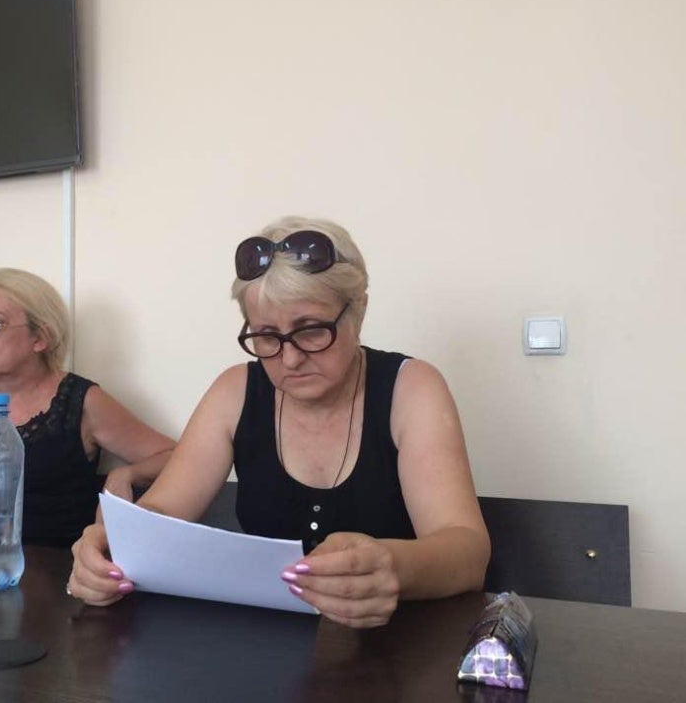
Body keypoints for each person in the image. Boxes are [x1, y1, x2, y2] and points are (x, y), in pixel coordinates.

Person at [69, 217, 490, 628]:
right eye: (266, 336)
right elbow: (160, 514)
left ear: (357, 312)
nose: (289, 358)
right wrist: (110, 548)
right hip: (268, 652)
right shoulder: (234, 391)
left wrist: (393, 567)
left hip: (401, 650)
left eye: (311, 331)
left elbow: (467, 552)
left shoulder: (411, 389)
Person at [0, 268, 175, 548]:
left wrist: (127, 474)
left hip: (58, 577)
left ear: (40, 337)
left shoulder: (81, 402)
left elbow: (175, 456)